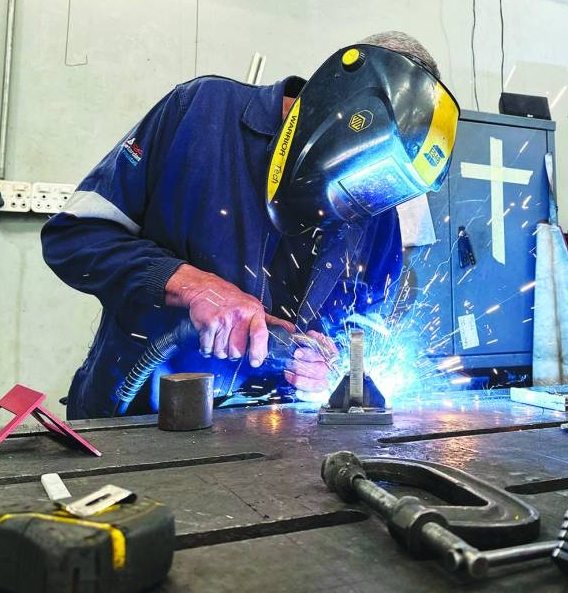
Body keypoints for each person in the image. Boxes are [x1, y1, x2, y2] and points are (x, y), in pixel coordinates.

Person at [42, 31, 459, 418]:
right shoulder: (202, 114)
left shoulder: (377, 204)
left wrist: (329, 368)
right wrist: (190, 286)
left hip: (271, 444)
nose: (360, 199)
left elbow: (363, 327)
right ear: (343, 107)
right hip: (136, 421)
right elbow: (75, 237)